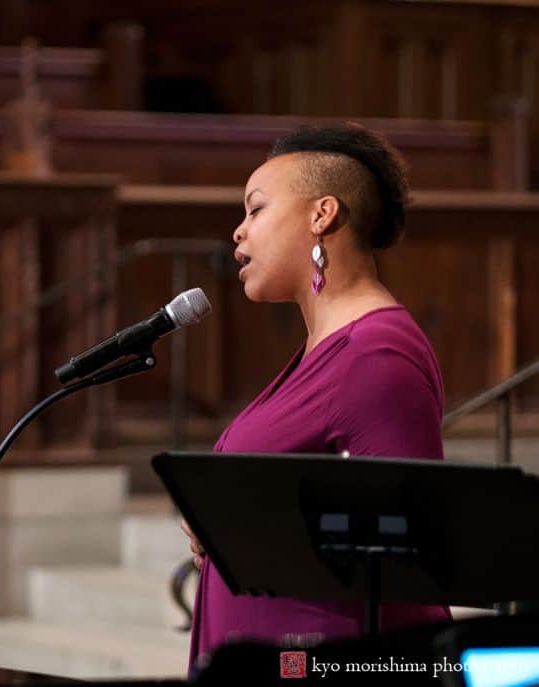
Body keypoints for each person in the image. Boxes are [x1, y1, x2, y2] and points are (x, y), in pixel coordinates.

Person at [181, 124, 451, 671]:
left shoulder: (376, 356)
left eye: (255, 210)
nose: (239, 231)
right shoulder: (324, 349)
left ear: (322, 215)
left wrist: (236, 521)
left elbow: (406, 552)